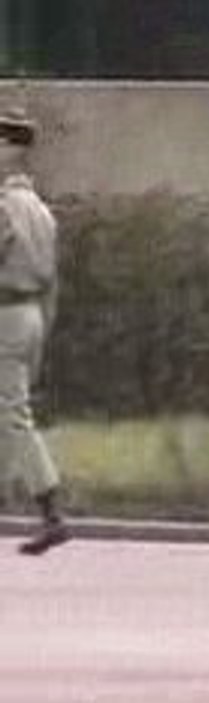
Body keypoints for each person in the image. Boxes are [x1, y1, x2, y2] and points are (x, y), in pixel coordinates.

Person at [0, 109, 67, 556]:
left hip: (5, 311)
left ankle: (50, 510)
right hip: (33, 314)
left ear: (11, 150)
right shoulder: (42, 210)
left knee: (13, 413)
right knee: (7, 407)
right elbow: (52, 280)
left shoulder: (5, 207)